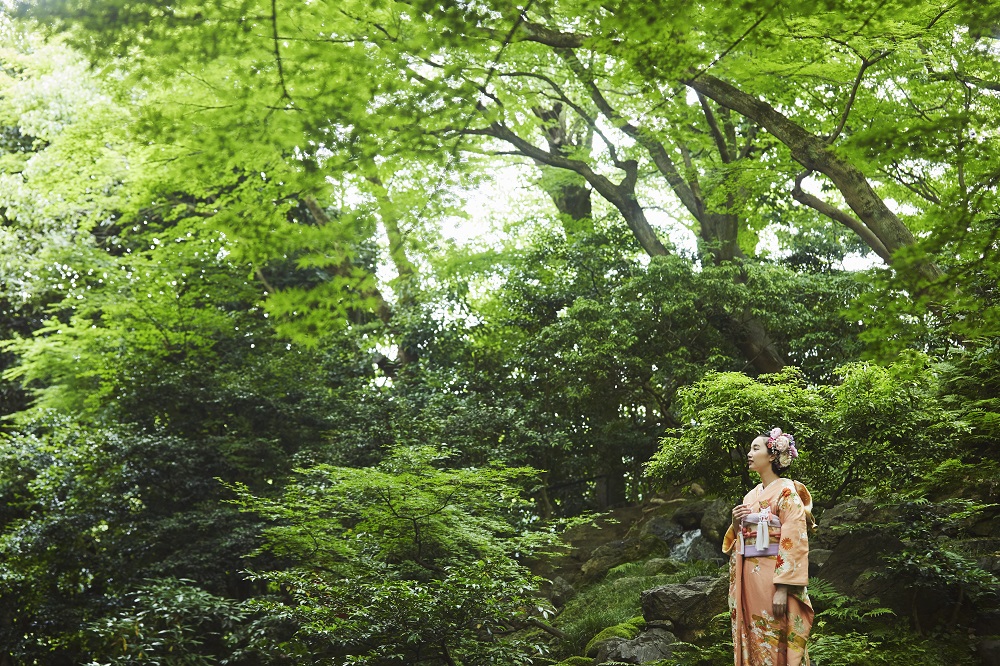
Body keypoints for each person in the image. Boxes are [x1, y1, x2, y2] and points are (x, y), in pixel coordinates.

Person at [723, 428, 815, 666]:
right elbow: (740, 538)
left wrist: (784, 588)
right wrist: (735, 524)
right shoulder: (749, 497)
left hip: (774, 577)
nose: (750, 454)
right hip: (750, 579)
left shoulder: (787, 492)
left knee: (777, 633)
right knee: (755, 633)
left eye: (756, 449)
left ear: (773, 456)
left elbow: (794, 538)